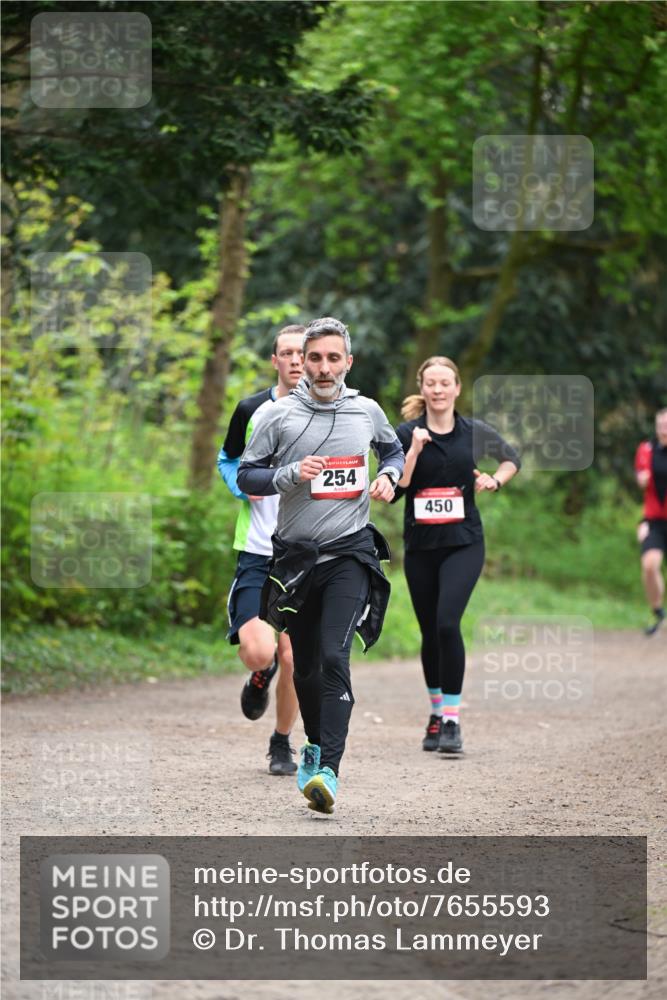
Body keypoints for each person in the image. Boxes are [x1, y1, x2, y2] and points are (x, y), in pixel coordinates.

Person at [238, 317, 404, 814]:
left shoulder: (366, 410)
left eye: (334, 358)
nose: (324, 367)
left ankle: (328, 768)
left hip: (350, 553)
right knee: (305, 667)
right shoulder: (279, 415)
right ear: (302, 363)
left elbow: (392, 450)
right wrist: (290, 473)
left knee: (334, 656)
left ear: (348, 362)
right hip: (295, 561)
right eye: (315, 358)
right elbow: (247, 474)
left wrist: (389, 476)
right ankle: (312, 745)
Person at [392, 356, 520, 754]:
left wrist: (495, 480)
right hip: (420, 546)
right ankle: (435, 713)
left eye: (445, 383)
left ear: (457, 388)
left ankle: (451, 720)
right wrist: (413, 451)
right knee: (429, 631)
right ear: (422, 388)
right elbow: (396, 489)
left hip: (464, 543)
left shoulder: (473, 432)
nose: (438, 390)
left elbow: (512, 458)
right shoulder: (406, 433)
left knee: (448, 623)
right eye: (431, 383)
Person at [217, 325, 305, 775]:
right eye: (286, 353)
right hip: (256, 550)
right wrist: (241, 487)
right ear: (275, 360)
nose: (295, 360)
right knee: (260, 652)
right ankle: (259, 672)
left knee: (294, 656)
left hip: (303, 553)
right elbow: (227, 459)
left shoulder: (329, 413)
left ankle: (281, 742)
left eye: (302, 352)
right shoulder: (251, 409)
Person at [635, 407, 667, 636]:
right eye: (661, 425)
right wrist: (641, 479)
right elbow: (640, 478)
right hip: (654, 520)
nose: (664, 429)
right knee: (649, 565)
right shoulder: (646, 450)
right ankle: (658, 613)